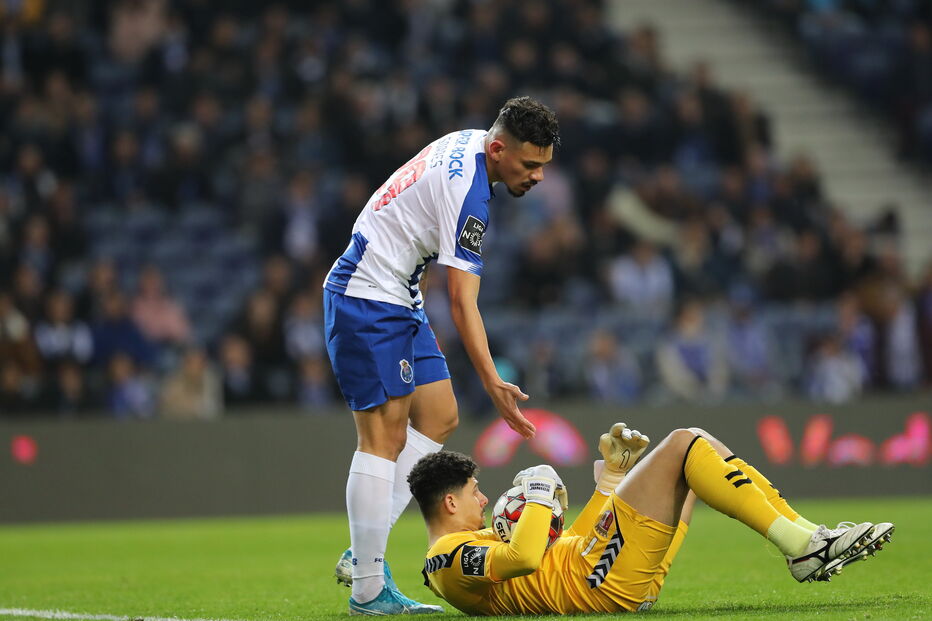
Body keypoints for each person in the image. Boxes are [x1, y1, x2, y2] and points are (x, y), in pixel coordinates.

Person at [323, 96, 560, 614]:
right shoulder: (470, 192)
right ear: (499, 149)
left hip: (397, 295)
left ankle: (362, 550)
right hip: (366, 297)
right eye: (530, 164)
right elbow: (460, 300)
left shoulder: (469, 144)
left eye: (544, 164)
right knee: (382, 435)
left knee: (439, 415)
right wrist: (495, 381)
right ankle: (367, 588)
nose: (538, 176)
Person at [410, 422, 894, 615]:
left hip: (594, 570)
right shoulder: (445, 560)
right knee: (683, 442)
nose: (484, 499)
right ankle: (803, 548)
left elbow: (558, 550)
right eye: (475, 492)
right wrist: (539, 489)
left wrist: (609, 484)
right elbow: (525, 555)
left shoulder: (464, 549)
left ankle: (806, 537)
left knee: (701, 452)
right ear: (449, 503)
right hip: (596, 582)